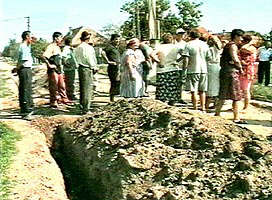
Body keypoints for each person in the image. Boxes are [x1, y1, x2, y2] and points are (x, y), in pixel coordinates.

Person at [215, 29, 245, 124]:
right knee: (236, 96)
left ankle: (217, 114)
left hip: (224, 71)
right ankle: (236, 118)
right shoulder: (233, 46)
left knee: (222, 94)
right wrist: (240, 68)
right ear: (236, 36)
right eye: (241, 37)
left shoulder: (228, 45)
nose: (242, 39)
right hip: (232, 73)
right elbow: (235, 59)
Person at [152, 33, 186, 105]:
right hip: (173, 68)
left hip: (162, 69)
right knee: (172, 88)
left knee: (162, 88)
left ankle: (162, 104)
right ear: (172, 39)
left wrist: (157, 61)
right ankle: (172, 103)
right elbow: (184, 55)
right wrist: (177, 61)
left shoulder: (159, 47)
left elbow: (151, 54)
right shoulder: (176, 47)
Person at [183, 29, 211, 111]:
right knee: (202, 90)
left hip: (192, 69)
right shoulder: (205, 45)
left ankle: (195, 107)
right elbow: (208, 57)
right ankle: (203, 108)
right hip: (203, 69)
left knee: (193, 90)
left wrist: (184, 69)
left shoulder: (188, 45)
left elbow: (186, 59)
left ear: (190, 36)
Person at [43, 32, 70, 108]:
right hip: (53, 70)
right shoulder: (51, 47)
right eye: (60, 37)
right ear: (56, 38)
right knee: (54, 86)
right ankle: (53, 101)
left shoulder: (58, 47)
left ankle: (64, 99)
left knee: (62, 86)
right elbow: (44, 56)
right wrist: (49, 65)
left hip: (59, 70)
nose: (61, 39)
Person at [74, 31, 98, 114]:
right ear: (88, 38)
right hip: (87, 68)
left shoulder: (78, 47)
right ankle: (86, 108)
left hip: (80, 68)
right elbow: (89, 59)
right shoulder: (88, 48)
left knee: (82, 88)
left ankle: (82, 105)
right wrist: (94, 67)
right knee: (87, 89)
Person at [16, 31, 34, 119]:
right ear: (27, 37)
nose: (32, 38)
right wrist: (17, 69)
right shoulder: (23, 47)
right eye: (31, 36)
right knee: (25, 89)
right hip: (25, 69)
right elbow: (23, 61)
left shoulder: (27, 46)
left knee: (26, 88)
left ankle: (27, 109)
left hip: (25, 69)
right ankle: (25, 111)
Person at [238, 35, 257, 110]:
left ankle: (245, 107)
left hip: (246, 71)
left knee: (245, 90)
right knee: (244, 90)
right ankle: (244, 106)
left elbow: (244, 50)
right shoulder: (253, 49)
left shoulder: (247, 49)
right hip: (247, 70)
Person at [102, 34, 121, 102]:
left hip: (117, 67)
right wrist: (108, 61)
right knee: (114, 82)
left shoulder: (116, 47)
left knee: (117, 82)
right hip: (112, 68)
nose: (118, 40)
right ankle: (112, 99)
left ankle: (115, 97)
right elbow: (103, 52)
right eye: (116, 39)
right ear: (112, 40)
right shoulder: (109, 47)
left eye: (118, 39)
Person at [205, 35, 222, 111]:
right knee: (214, 85)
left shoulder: (212, 49)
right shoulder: (214, 49)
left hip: (211, 66)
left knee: (210, 86)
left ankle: (207, 105)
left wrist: (214, 40)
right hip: (214, 66)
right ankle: (214, 103)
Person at [175, 28, 188, 104]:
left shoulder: (185, 44)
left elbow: (185, 55)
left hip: (181, 65)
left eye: (183, 34)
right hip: (173, 65)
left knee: (180, 82)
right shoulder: (173, 43)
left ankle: (179, 97)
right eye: (180, 34)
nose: (182, 35)